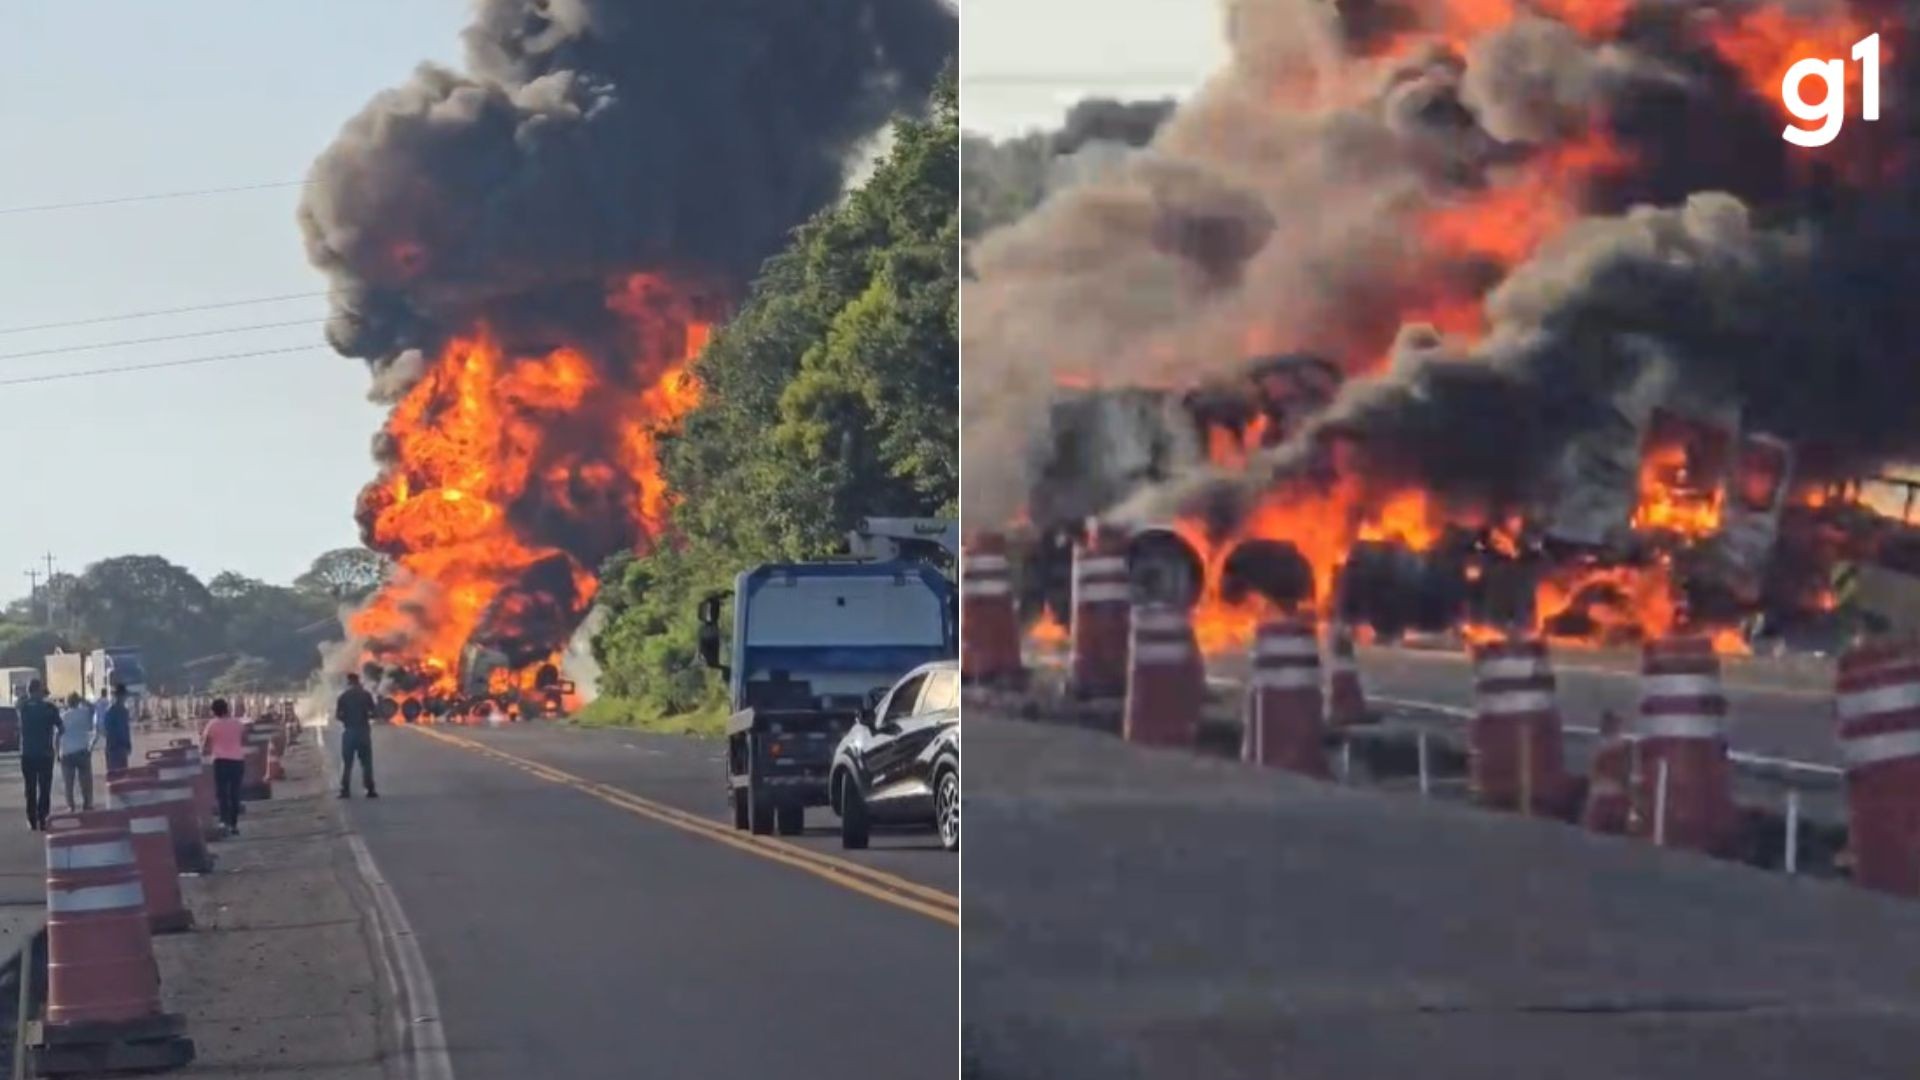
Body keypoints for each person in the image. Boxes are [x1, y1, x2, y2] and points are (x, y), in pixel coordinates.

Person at [17, 681, 61, 830]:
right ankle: (43, 818)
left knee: (30, 789)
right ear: (40, 691)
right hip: (45, 753)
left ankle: (32, 819)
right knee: (44, 788)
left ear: (30, 692)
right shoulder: (50, 708)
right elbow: (61, 728)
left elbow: (20, 701)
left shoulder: (23, 708)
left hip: (28, 753)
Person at [199, 697, 247, 836]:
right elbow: (243, 739)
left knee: (222, 793)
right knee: (235, 793)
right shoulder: (237, 723)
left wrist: (203, 753)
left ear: (214, 711)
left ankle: (223, 821)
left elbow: (205, 744)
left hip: (220, 761)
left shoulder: (212, 724)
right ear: (227, 709)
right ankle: (234, 824)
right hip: (237, 761)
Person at [336, 673, 378, 799]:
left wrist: (347, 720)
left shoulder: (343, 696)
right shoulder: (366, 695)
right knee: (366, 762)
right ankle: (370, 789)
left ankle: (345, 790)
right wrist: (366, 716)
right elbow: (374, 713)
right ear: (358, 681)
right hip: (363, 732)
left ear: (348, 682)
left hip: (349, 732)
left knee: (347, 763)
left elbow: (338, 716)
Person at [58, 693, 98, 813]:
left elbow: (57, 735)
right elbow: (94, 708)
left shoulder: (63, 716)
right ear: (78, 701)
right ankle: (87, 803)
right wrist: (84, 700)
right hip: (82, 750)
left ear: (67, 702)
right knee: (86, 781)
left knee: (68, 782)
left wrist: (56, 752)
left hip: (67, 752)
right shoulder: (84, 712)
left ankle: (71, 806)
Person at [101, 684, 133, 773]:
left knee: (121, 776)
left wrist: (128, 744)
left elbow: (106, 730)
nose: (124, 698)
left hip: (117, 748)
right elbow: (122, 730)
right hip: (115, 748)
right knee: (118, 775)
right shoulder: (116, 712)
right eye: (124, 696)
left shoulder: (116, 711)